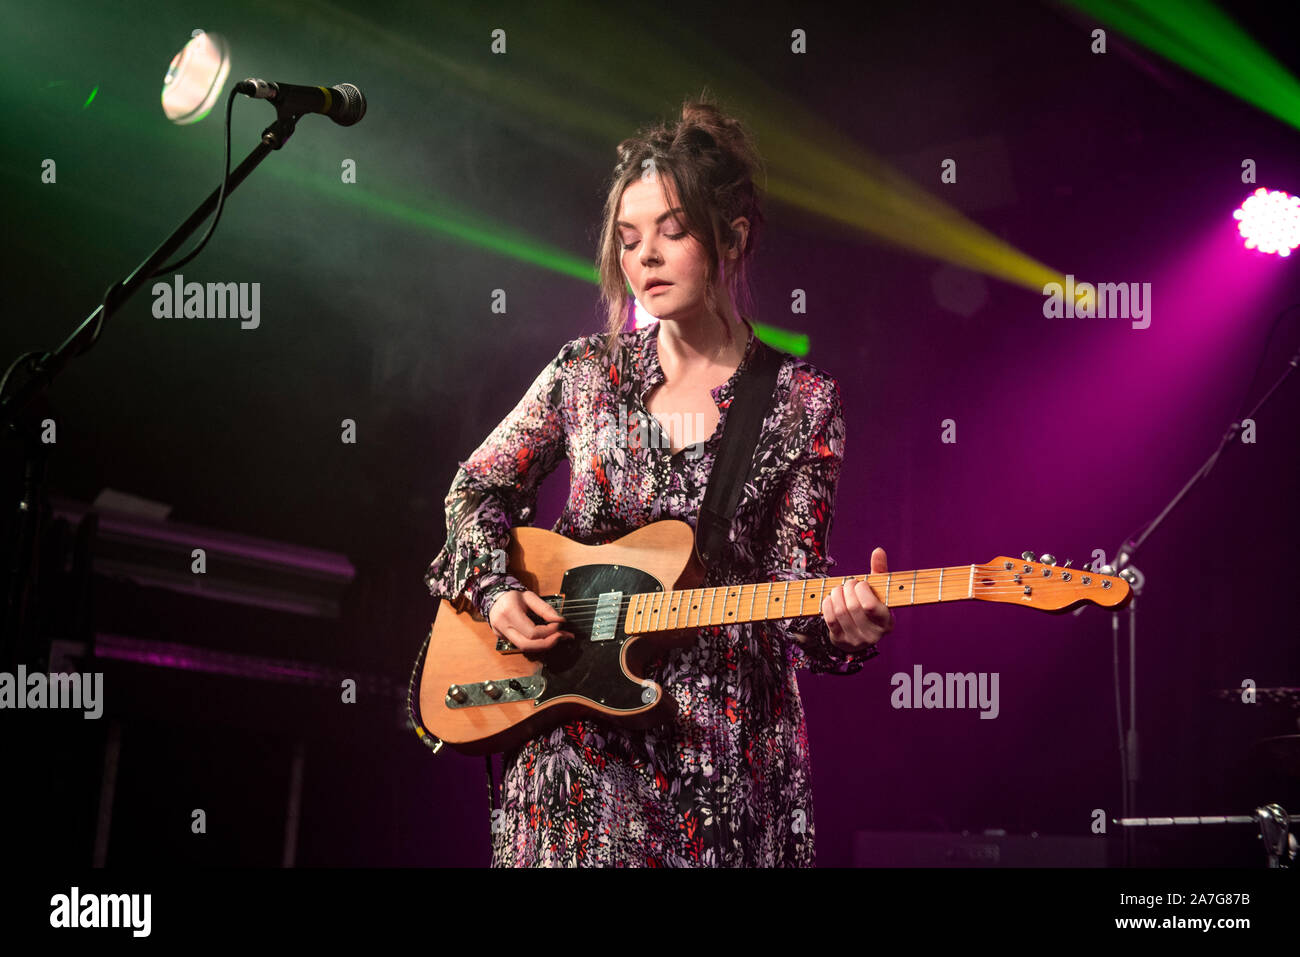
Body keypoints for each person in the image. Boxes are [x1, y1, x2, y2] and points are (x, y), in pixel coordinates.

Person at [423, 96, 894, 866]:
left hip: (726, 749)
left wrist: (844, 630)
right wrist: (494, 591)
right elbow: (475, 489)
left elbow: (795, 591)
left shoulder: (802, 400)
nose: (645, 257)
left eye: (673, 233)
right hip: (574, 748)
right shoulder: (585, 374)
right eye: (630, 238)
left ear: (732, 240)